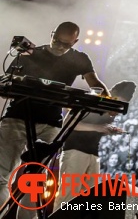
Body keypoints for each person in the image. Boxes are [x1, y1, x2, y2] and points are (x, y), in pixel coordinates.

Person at [0, 21, 109, 217]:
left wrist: (107, 98)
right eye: (56, 41)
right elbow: (5, 89)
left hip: (50, 123)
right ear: (52, 34)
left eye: (65, 44)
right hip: (17, 118)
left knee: (35, 179)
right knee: (2, 173)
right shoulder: (31, 53)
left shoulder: (80, 59)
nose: (59, 47)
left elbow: (95, 83)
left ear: (75, 42)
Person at [53, 80, 136, 211]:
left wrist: (108, 130)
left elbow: (95, 129)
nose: (117, 110)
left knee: (89, 200)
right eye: (117, 102)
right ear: (110, 95)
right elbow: (68, 123)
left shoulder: (111, 111)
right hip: (75, 151)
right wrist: (97, 127)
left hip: (93, 154)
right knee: (67, 196)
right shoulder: (90, 100)